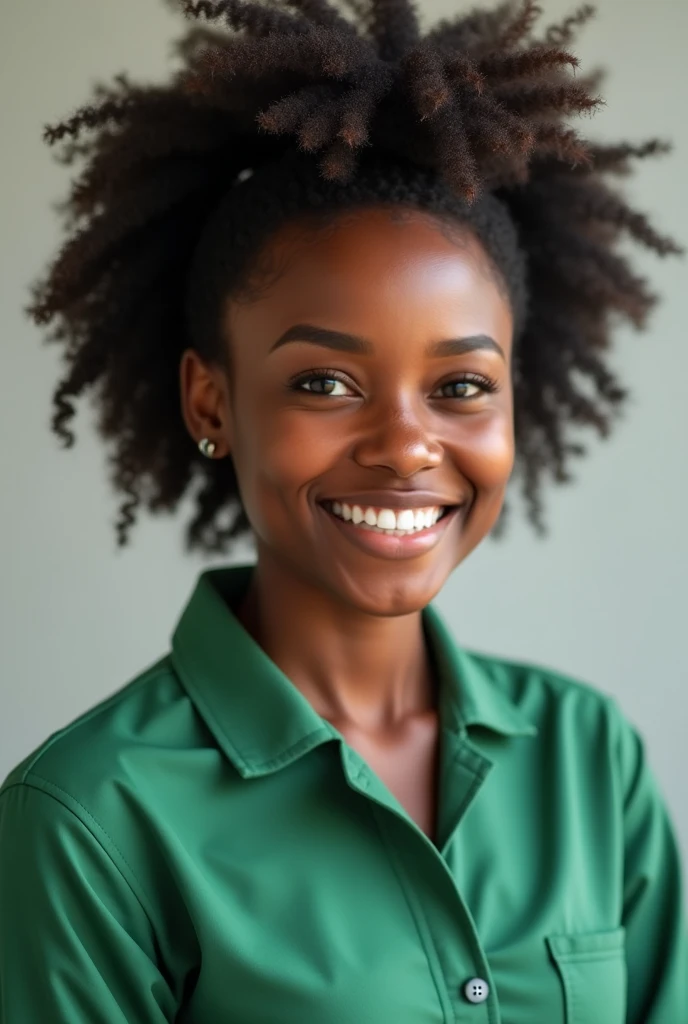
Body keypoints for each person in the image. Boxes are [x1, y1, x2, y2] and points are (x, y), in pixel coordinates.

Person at [0, 0, 686, 1020]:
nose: (409, 446)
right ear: (211, 402)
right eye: (324, 383)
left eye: (460, 387)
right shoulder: (88, 818)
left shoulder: (589, 756)